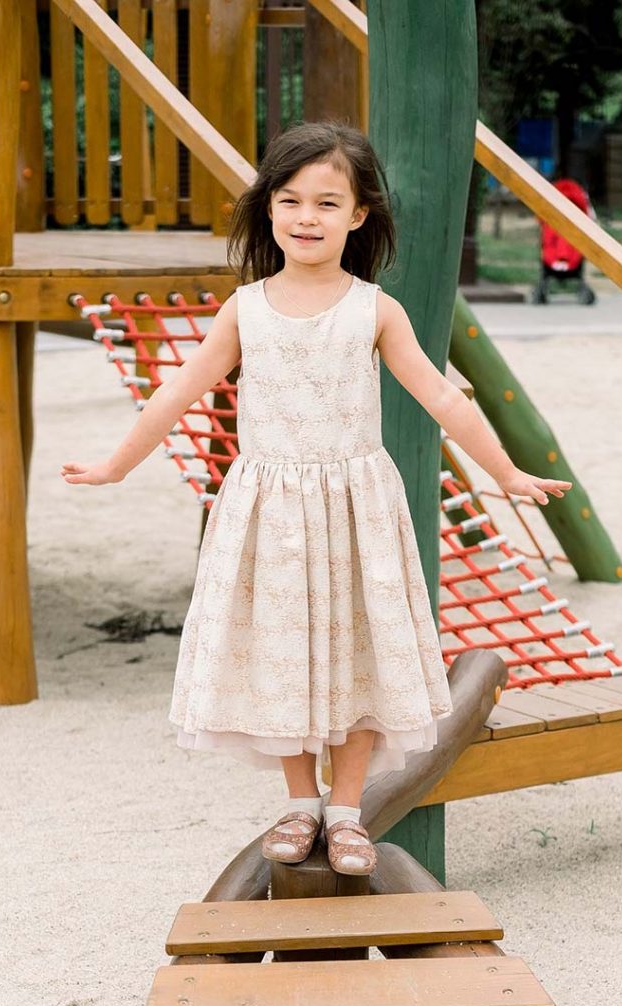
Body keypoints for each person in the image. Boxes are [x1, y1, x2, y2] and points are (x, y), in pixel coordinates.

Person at [61, 121, 571, 876]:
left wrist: (506, 472)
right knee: (284, 655)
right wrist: (116, 464)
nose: (307, 217)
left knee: (359, 649)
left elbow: (441, 396)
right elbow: (180, 390)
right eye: (291, 199)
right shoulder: (247, 309)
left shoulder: (375, 310)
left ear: (359, 215)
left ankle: (346, 807)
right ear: (268, 208)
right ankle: (301, 801)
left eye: (328, 203)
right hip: (271, 512)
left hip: (355, 509)